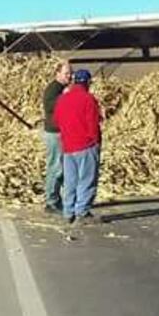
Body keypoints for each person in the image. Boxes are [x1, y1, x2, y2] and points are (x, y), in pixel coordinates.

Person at [54, 68, 102, 225]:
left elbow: (57, 121)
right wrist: (95, 141)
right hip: (86, 144)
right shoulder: (89, 99)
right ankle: (82, 211)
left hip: (68, 146)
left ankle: (68, 212)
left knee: (70, 180)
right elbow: (93, 123)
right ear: (87, 83)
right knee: (87, 179)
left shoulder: (62, 99)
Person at [41, 61, 71, 215]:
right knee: (55, 167)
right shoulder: (53, 89)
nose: (69, 76)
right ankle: (51, 202)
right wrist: (64, 97)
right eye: (66, 73)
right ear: (57, 73)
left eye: (70, 73)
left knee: (61, 167)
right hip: (54, 133)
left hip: (60, 132)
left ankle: (58, 199)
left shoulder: (61, 88)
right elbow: (50, 106)